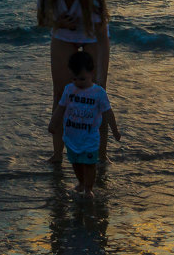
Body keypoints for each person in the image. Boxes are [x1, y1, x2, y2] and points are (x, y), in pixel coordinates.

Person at [37, 0, 111, 162]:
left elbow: (103, 36)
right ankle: (57, 155)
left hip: (92, 38)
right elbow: (41, 21)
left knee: (97, 95)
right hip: (63, 37)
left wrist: (102, 76)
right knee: (60, 94)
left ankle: (102, 156)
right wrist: (58, 23)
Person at [48, 50, 121, 198]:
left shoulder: (98, 93)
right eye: (74, 79)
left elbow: (108, 113)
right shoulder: (69, 89)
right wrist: (53, 123)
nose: (78, 83)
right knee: (75, 162)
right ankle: (81, 182)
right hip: (71, 137)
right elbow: (60, 108)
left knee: (89, 164)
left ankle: (88, 188)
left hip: (90, 138)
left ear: (91, 73)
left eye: (82, 79)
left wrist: (115, 131)